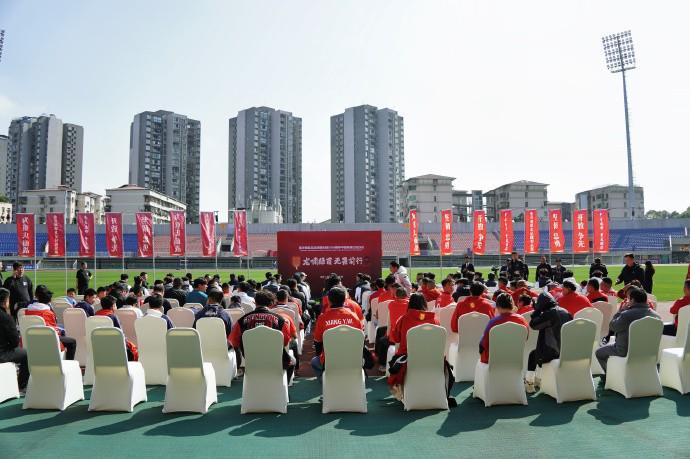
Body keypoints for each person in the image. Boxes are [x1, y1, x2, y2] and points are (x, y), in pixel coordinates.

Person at [388, 293, 455, 405]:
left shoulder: (403, 319)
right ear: (425, 304)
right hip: (433, 360)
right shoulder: (435, 320)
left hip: (409, 360)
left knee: (394, 363)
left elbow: (395, 338)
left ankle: (400, 393)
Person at [230, 291, 295, 380]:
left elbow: (233, 342)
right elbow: (285, 341)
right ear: (271, 304)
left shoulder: (241, 321)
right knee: (292, 362)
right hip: (275, 360)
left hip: (251, 360)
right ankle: (283, 385)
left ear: (255, 302)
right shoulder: (280, 320)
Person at [596, 287, 660, 373]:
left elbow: (612, 326)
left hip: (625, 351)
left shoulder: (626, 315)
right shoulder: (657, 316)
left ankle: (611, 375)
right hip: (648, 351)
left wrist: (621, 311)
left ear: (632, 300)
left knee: (599, 353)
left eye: (629, 299)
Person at [311, 286, 364, 379]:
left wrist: (321, 357)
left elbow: (318, 342)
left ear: (329, 300)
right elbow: (360, 338)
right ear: (345, 299)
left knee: (315, 361)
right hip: (353, 360)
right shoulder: (354, 316)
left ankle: (325, 381)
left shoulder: (322, 318)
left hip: (330, 362)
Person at [524, 293, 572, 393]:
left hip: (552, 353)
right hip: (566, 351)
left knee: (533, 356)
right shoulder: (565, 311)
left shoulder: (549, 314)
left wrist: (537, 311)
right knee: (537, 352)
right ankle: (538, 379)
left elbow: (534, 325)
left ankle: (529, 383)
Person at [26, 285, 77, 360]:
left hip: (30, 341)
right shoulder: (48, 313)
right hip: (48, 342)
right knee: (72, 342)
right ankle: (69, 364)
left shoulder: (27, 311)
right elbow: (54, 331)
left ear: (36, 296)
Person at [478, 293, 529, 364]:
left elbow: (484, 343)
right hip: (515, 359)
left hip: (493, 361)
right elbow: (525, 338)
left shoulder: (493, 322)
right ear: (512, 305)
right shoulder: (522, 320)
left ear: (497, 306)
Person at [0, 287, 29, 390]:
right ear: (5, 302)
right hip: (2, 354)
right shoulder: (6, 318)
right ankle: (22, 385)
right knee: (26, 354)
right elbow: (15, 342)